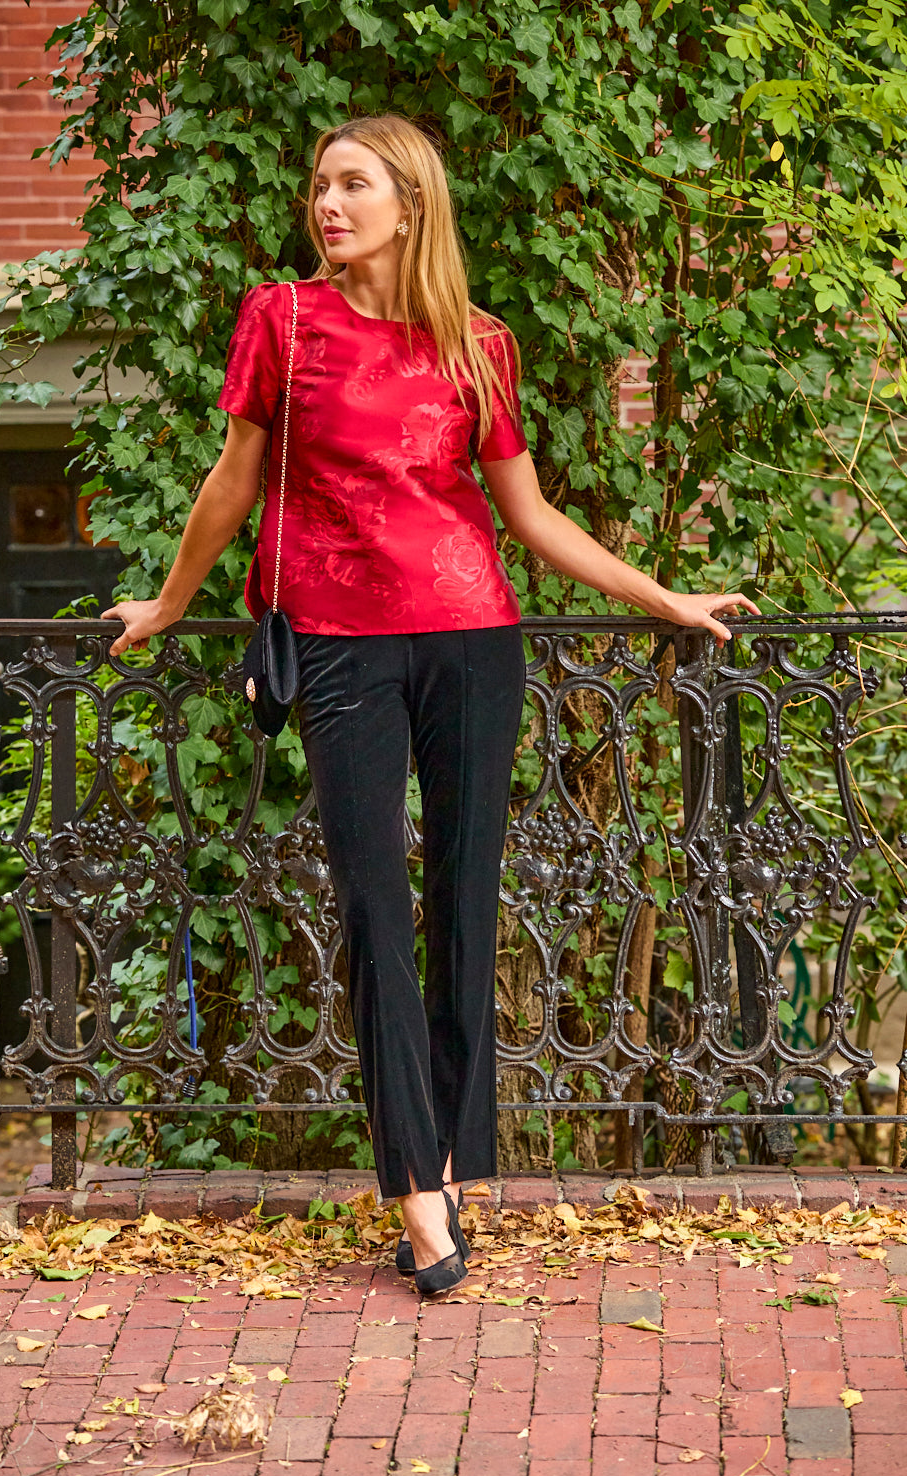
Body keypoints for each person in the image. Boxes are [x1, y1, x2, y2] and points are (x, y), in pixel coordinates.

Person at [103, 113, 759, 1295]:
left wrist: (662, 597)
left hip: (471, 640)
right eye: (320, 184)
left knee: (464, 901)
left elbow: (529, 514)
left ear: (410, 204)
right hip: (337, 648)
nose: (328, 203)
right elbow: (234, 479)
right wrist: (169, 600)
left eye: (353, 184)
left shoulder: (477, 342)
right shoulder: (281, 319)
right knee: (372, 909)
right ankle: (415, 1188)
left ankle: (450, 1161)